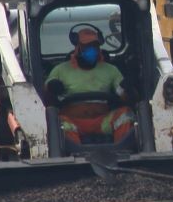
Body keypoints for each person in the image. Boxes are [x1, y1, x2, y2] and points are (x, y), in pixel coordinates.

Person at [44, 24, 135, 154]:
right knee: (59, 122)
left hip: (102, 121)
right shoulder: (60, 70)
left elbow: (123, 95)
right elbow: (47, 94)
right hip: (73, 121)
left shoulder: (111, 70)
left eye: (95, 46)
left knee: (125, 115)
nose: (92, 50)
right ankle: (72, 156)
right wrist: (52, 87)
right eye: (87, 46)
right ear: (78, 47)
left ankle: (123, 154)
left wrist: (129, 88)